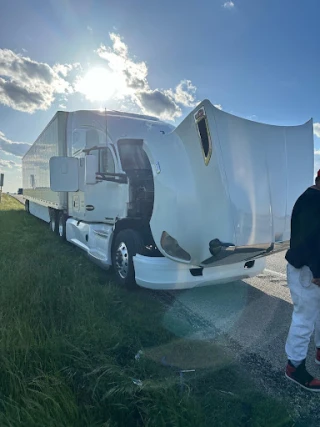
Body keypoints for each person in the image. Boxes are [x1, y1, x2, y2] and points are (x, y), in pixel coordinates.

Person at [285, 170, 320, 391]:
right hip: (308, 271)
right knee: (304, 319)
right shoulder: (311, 201)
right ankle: (294, 367)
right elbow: (310, 242)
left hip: (312, 269)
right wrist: (318, 272)